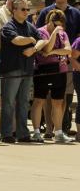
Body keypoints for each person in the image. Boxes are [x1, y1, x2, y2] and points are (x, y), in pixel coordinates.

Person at [37, 0, 80, 135]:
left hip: (68, 61)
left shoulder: (75, 13)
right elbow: (38, 35)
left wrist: (75, 59)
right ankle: (49, 128)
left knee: (64, 97)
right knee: (48, 97)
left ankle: (61, 128)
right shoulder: (45, 12)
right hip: (47, 62)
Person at [0, 0, 43, 144]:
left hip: (27, 70)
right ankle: (6, 133)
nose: (26, 12)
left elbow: (42, 40)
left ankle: (23, 133)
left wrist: (34, 49)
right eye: (23, 9)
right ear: (14, 11)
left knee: (24, 102)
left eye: (27, 9)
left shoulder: (30, 26)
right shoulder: (8, 26)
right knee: (9, 103)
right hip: (12, 70)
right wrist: (31, 40)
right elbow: (16, 40)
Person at [32, 9, 74, 144]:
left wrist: (54, 51)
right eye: (55, 25)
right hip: (43, 70)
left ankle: (59, 132)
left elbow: (68, 50)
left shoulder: (63, 33)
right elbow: (46, 49)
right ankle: (37, 132)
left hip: (60, 71)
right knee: (39, 101)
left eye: (60, 25)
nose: (58, 28)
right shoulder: (40, 31)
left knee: (58, 102)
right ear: (49, 21)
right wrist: (54, 34)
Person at [0, 0, 26, 139]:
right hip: (0, 56)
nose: (23, 10)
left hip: (16, 58)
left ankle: (13, 127)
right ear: (11, 4)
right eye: (19, 5)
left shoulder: (18, 15)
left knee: (15, 96)